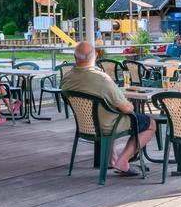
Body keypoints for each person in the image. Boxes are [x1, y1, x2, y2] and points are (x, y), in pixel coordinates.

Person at [62, 42, 156, 177]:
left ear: (75, 57)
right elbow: (127, 109)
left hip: (85, 126)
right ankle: (123, 161)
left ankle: (112, 160)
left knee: (108, 113)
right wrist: (129, 103)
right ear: (95, 56)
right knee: (150, 123)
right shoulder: (101, 79)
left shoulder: (67, 77)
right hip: (107, 125)